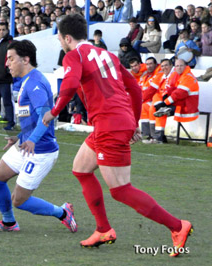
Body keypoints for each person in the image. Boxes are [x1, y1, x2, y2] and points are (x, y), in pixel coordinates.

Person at [42, 14, 192, 256]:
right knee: (80, 169)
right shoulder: (108, 55)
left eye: (60, 38)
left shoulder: (74, 55)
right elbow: (133, 87)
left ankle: (177, 226)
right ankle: (103, 229)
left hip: (109, 124)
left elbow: (69, 83)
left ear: (67, 37)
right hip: (113, 122)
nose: (60, 42)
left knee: (120, 189)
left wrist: (55, 111)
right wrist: (132, 122)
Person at [0, 40, 77, 233]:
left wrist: (32, 140)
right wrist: (20, 137)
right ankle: (8, 223)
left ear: (25, 60)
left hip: (40, 150)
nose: (6, 63)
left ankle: (63, 212)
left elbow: (46, 118)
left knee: (19, 200)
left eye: (10, 59)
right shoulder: (27, 80)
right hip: (26, 144)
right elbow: (32, 119)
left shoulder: (34, 84)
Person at [154, 58, 199, 124]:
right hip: (183, 102)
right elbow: (173, 89)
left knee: (159, 109)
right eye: (177, 66)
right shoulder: (181, 75)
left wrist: (165, 103)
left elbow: (179, 93)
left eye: (181, 65)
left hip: (188, 106)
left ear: (186, 66)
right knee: (155, 107)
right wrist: (166, 94)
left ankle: (166, 110)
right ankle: (165, 110)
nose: (179, 68)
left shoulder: (188, 77)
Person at [144, 59, 177, 144]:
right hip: (164, 101)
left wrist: (164, 102)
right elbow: (151, 90)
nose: (164, 68)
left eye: (166, 65)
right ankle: (152, 136)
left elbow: (175, 93)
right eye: (162, 66)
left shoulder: (175, 75)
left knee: (159, 110)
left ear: (171, 66)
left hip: (175, 103)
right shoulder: (161, 75)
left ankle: (159, 138)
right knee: (149, 108)